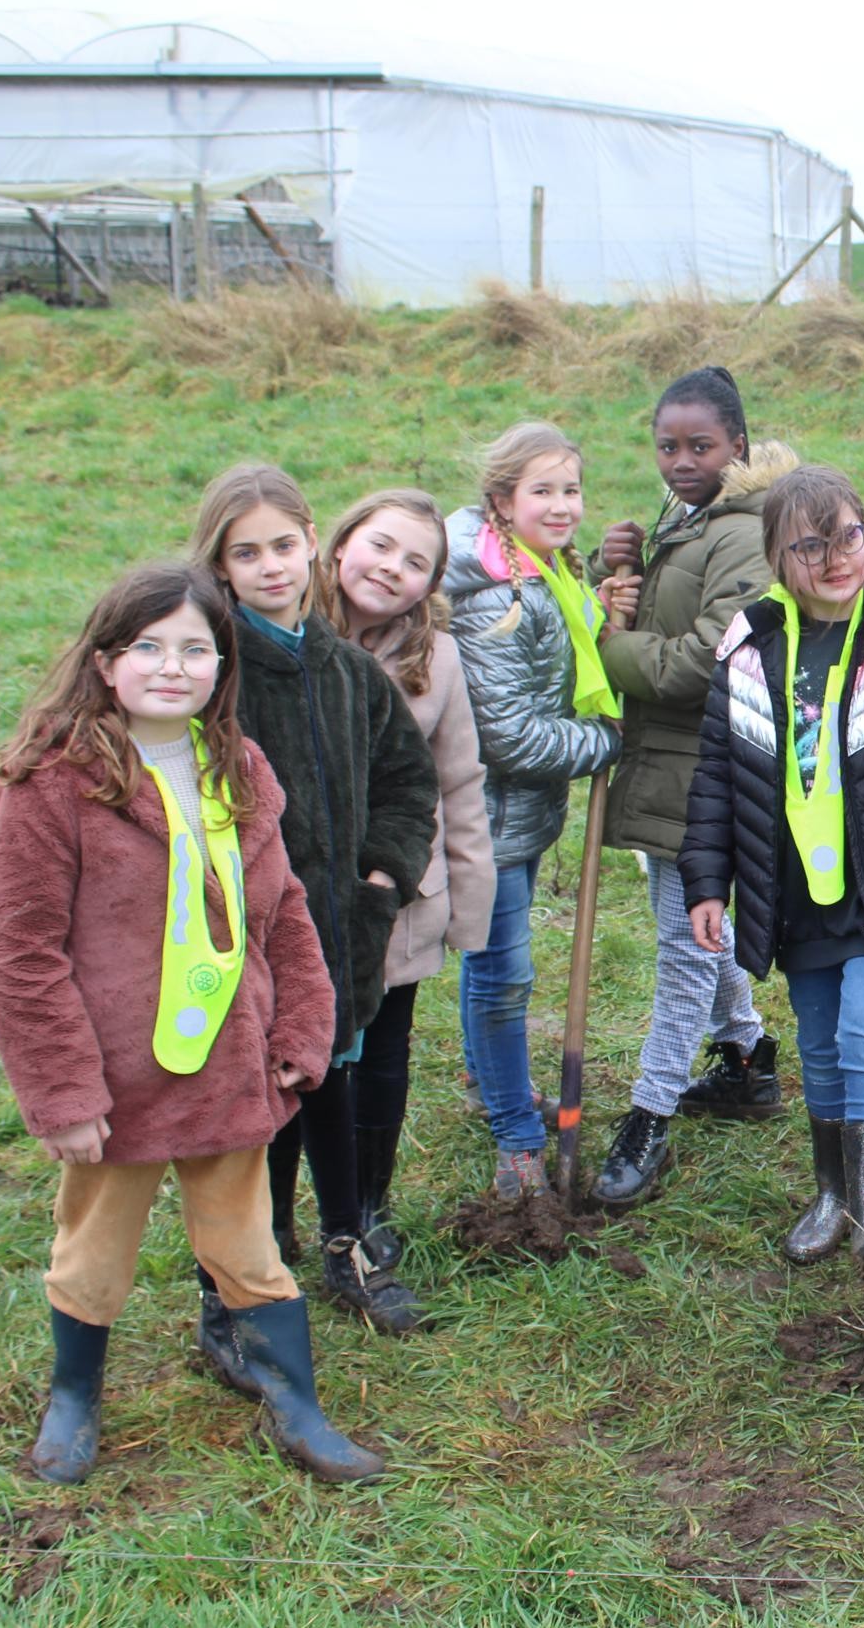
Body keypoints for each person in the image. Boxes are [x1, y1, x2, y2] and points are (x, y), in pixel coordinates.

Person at [0, 563, 382, 1484]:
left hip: (227, 1064)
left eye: (196, 648)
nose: (174, 666)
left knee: (246, 1241)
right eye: (149, 647)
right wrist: (64, 1092)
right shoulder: (50, 784)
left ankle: (297, 1406)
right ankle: (74, 1399)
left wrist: (298, 1033)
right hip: (115, 1079)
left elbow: (282, 911)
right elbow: (21, 953)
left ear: (221, 663)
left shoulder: (237, 766)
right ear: (106, 660)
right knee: (94, 1249)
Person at [678, 465, 864, 1274]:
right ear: (777, 557)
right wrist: (707, 879)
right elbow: (715, 772)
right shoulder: (747, 645)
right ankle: (831, 1194)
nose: (836, 557)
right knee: (817, 1042)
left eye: (848, 533)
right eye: (810, 545)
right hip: (790, 889)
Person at [188, 465, 438, 1339]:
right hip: (243, 944)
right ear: (219, 565)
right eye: (245, 552)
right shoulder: (211, 674)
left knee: (334, 1079)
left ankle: (346, 1243)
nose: (269, 567)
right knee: (256, 1104)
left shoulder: (349, 671)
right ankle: (237, 1272)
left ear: (312, 546)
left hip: (343, 935)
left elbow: (410, 783)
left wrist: (382, 881)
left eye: (283, 546)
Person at [588, 367, 795, 1211]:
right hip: (666, 761)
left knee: (685, 944)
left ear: (737, 446)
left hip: (708, 767)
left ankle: (650, 1112)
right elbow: (668, 621)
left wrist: (607, 644)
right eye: (667, 445)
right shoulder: (694, 517)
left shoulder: (744, 532)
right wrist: (628, 569)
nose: (679, 460)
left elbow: (708, 660)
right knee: (692, 928)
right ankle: (745, 1060)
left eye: (699, 445)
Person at [444, 423, 630, 1200]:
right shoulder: (496, 595)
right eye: (541, 491)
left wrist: (597, 604)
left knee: (491, 966)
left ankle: (496, 1083)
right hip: (486, 817)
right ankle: (517, 1135)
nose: (561, 506)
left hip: (512, 817)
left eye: (570, 490)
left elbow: (559, 645)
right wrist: (606, 740)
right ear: (501, 499)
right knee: (503, 975)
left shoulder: (536, 570)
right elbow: (512, 736)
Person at [314, 489, 495, 1272]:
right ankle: (277, 1217)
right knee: (304, 1057)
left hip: (398, 897)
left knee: (384, 1052)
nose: (391, 569)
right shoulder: (281, 631)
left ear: (431, 584)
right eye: (380, 545)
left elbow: (459, 783)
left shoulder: (437, 659)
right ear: (341, 540)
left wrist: (469, 910)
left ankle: (368, 1206)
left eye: (415, 562)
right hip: (297, 896)